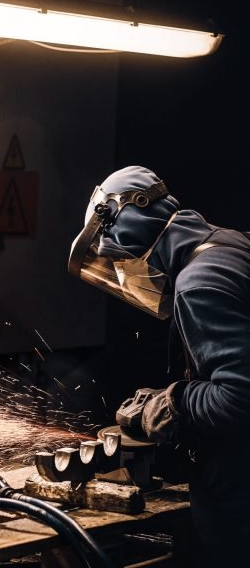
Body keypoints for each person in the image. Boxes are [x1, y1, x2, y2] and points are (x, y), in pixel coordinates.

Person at [68, 165, 250, 567]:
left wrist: (172, 403)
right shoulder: (228, 246)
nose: (118, 270)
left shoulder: (200, 281)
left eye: (114, 258)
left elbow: (240, 397)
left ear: (125, 225)